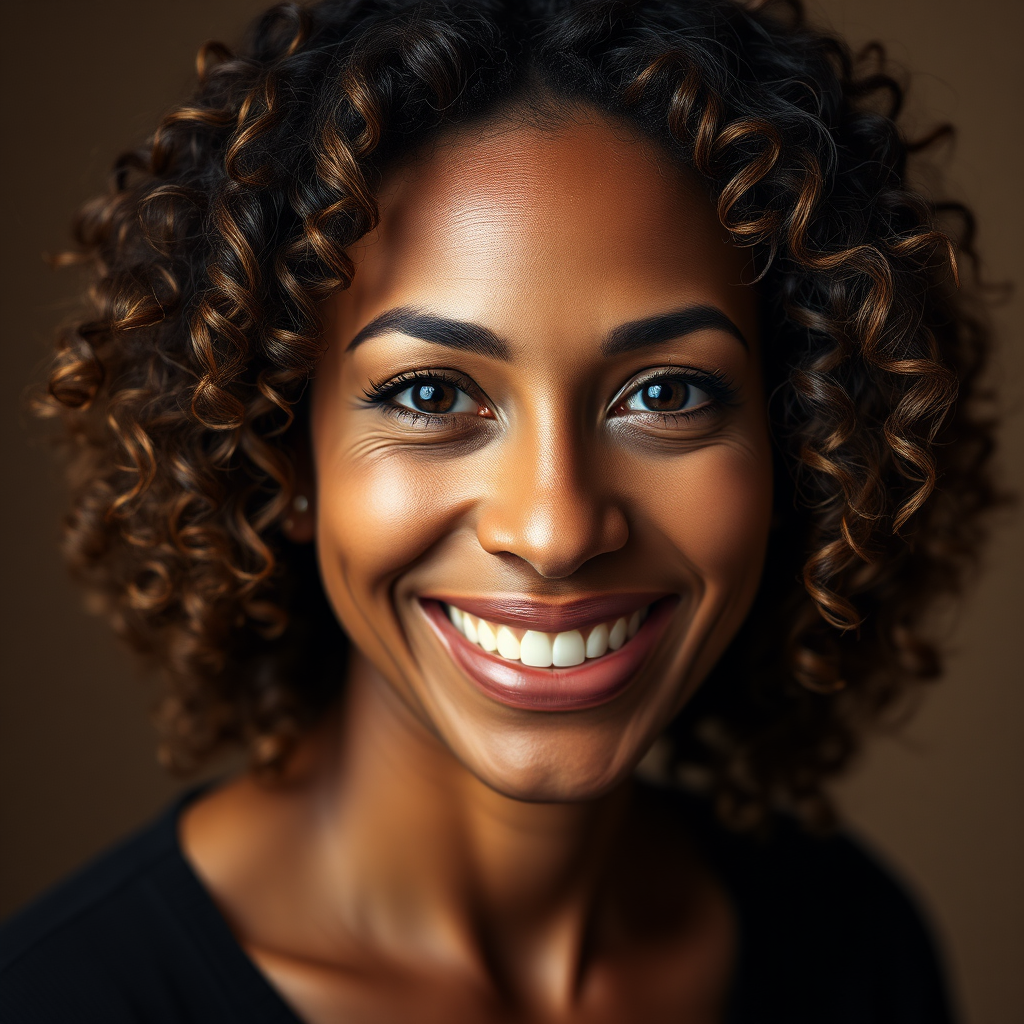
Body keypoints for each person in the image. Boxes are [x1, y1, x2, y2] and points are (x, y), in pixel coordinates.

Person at [0, 0, 997, 1020]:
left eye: (665, 393)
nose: (557, 530)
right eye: (431, 396)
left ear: (802, 440)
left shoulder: (850, 947)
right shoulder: (61, 999)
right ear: (279, 456)